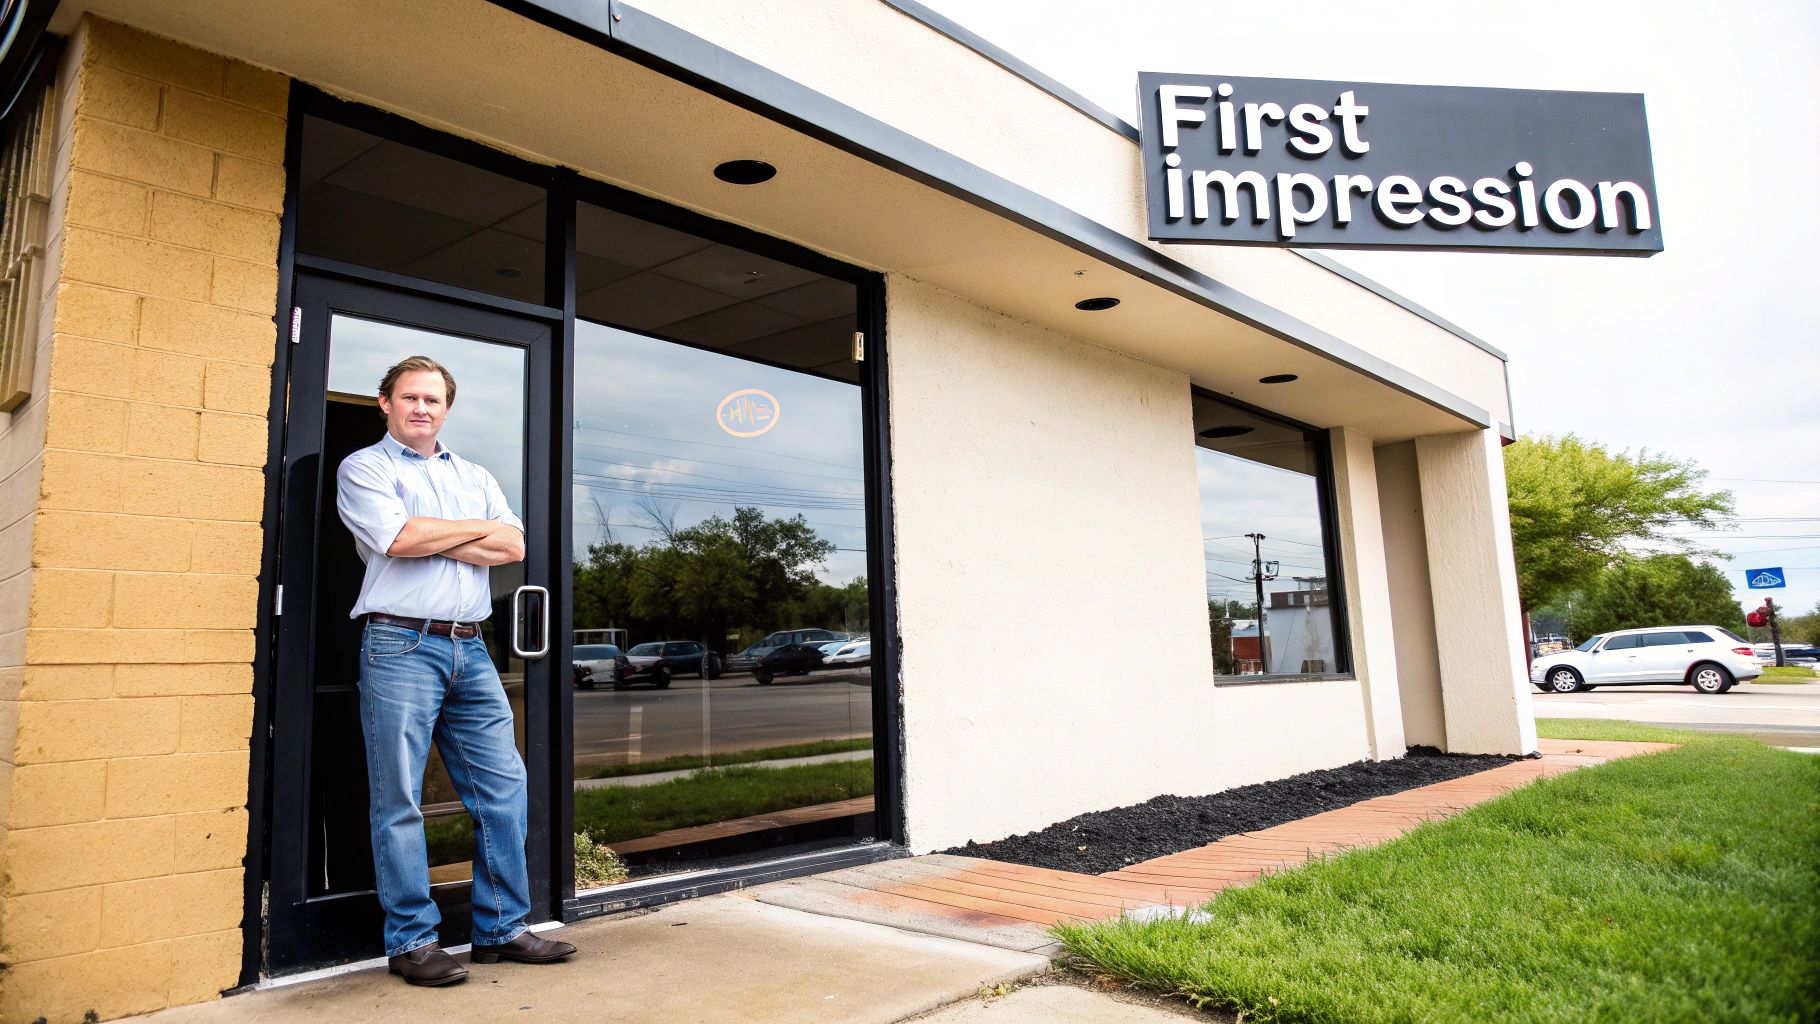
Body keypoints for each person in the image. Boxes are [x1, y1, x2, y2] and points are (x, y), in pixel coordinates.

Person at [336, 355, 576, 986]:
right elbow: (396, 539)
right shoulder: (365, 467)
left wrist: (433, 532)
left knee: (504, 788)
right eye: (409, 397)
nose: (421, 408)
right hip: (399, 644)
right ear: (385, 403)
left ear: (446, 409)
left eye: (433, 400)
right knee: (400, 799)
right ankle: (412, 940)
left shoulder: (475, 474)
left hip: (471, 649)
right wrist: (474, 532)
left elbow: (513, 545)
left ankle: (501, 929)